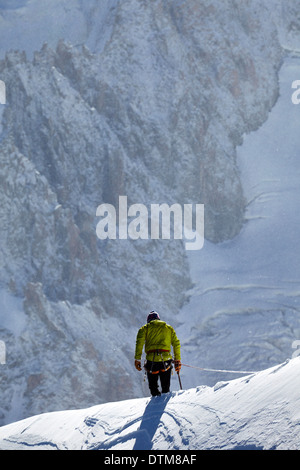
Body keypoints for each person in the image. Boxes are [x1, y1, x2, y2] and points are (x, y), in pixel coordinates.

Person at [134, 311, 181, 397]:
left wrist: (137, 359)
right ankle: (164, 405)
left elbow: (139, 344)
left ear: (149, 320)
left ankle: (155, 405)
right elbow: (176, 344)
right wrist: (177, 359)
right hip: (166, 361)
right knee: (166, 389)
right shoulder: (168, 328)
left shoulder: (144, 329)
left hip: (152, 361)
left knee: (153, 389)